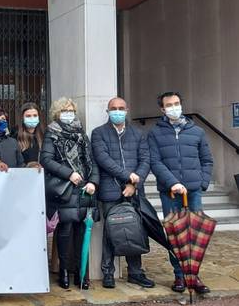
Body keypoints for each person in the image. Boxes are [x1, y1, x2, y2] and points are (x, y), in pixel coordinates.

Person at [148, 91, 214, 294]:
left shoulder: (197, 132)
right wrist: (172, 183)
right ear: (162, 109)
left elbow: (207, 160)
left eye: (176, 103)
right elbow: (155, 162)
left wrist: (201, 183)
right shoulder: (155, 133)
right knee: (175, 234)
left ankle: (194, 275)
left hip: (193, 192)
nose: (174, 107)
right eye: (169, 105)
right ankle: (179, 275)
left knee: (194, 234)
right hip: (171, 193)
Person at [91, 97, 155, 289]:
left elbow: (146, 160)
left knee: (135, 230)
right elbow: (103, 160)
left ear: (127, 110)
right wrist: (128, 177)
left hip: (134, 191)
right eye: (113, 108)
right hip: (110, 191)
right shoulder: (98, 133)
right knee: (111, 231)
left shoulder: (138, 133)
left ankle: (135, 272)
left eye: (121, 108)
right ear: (107, 111)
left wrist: (134, 184)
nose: (117, 111)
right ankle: (108, 272)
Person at [40, 97, 99, 290]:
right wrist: (69, 173)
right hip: (65, 190)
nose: (68, 113)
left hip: (84, 190)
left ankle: (81, 273)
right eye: (64, 110)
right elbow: (46, 160)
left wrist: (93, 182)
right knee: (64, 233)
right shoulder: (52, 132)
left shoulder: (81, 133)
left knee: (83, 233)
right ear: (57, 113)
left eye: (71, 110)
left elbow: (91, 160)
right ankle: (64, 271)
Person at [13, 102, 44, 167]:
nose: (32, 118)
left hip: (41, 175)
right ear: (22, 118)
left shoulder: (43, 135)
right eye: (28, 116)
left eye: (35, 115)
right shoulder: (15, 136)